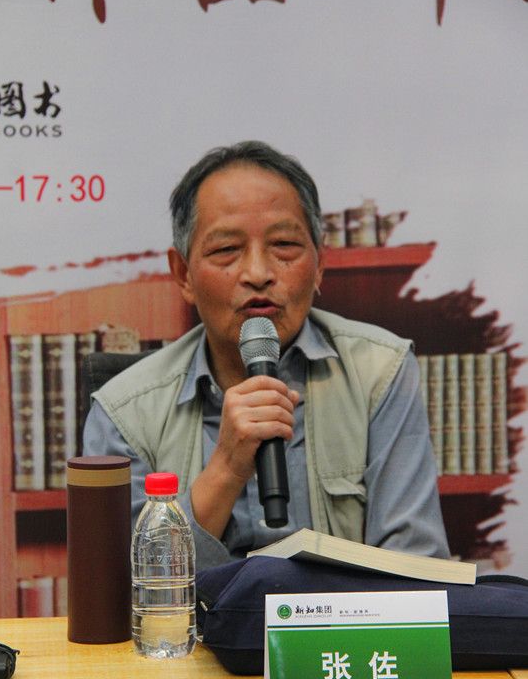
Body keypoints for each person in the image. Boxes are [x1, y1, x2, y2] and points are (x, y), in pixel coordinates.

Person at [83, 140, 450, 570]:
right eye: (226, 250)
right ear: (183, 274)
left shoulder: (380, 373)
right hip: (198, 619)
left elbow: (415, 567)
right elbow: (122, 588)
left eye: (284, 245)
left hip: (338, 616)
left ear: (319, 263)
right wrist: (226, 468)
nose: (258, 274)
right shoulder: (124, 411)